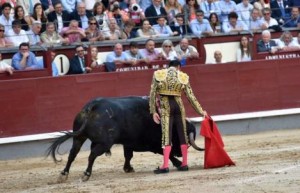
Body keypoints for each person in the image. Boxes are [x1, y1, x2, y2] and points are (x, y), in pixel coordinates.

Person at [149, 59, 207, 174]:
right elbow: (191, 97)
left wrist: (153, 111)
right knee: (182, 134)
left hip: (166, 105)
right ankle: (184, 164)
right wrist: (201, 111)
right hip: (179, 106)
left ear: (168, 66)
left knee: (167, 135)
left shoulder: (159, 74)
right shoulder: (183, 76)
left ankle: (165, 166)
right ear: (178, 67)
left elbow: (152, 94)